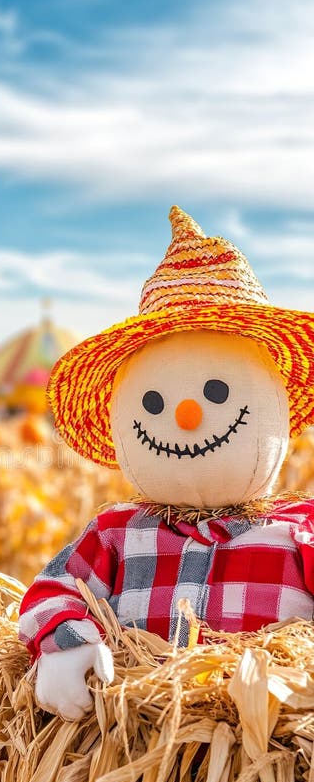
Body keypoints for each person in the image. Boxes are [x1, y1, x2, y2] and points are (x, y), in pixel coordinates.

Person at [19, 206, 314, 721]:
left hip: (264, 766)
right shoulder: (115, 535)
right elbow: (55, 588)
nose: (186, 415)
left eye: (217, 392)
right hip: (132, 761)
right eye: (152, 404)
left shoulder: (299, 536)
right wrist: (66, 643)